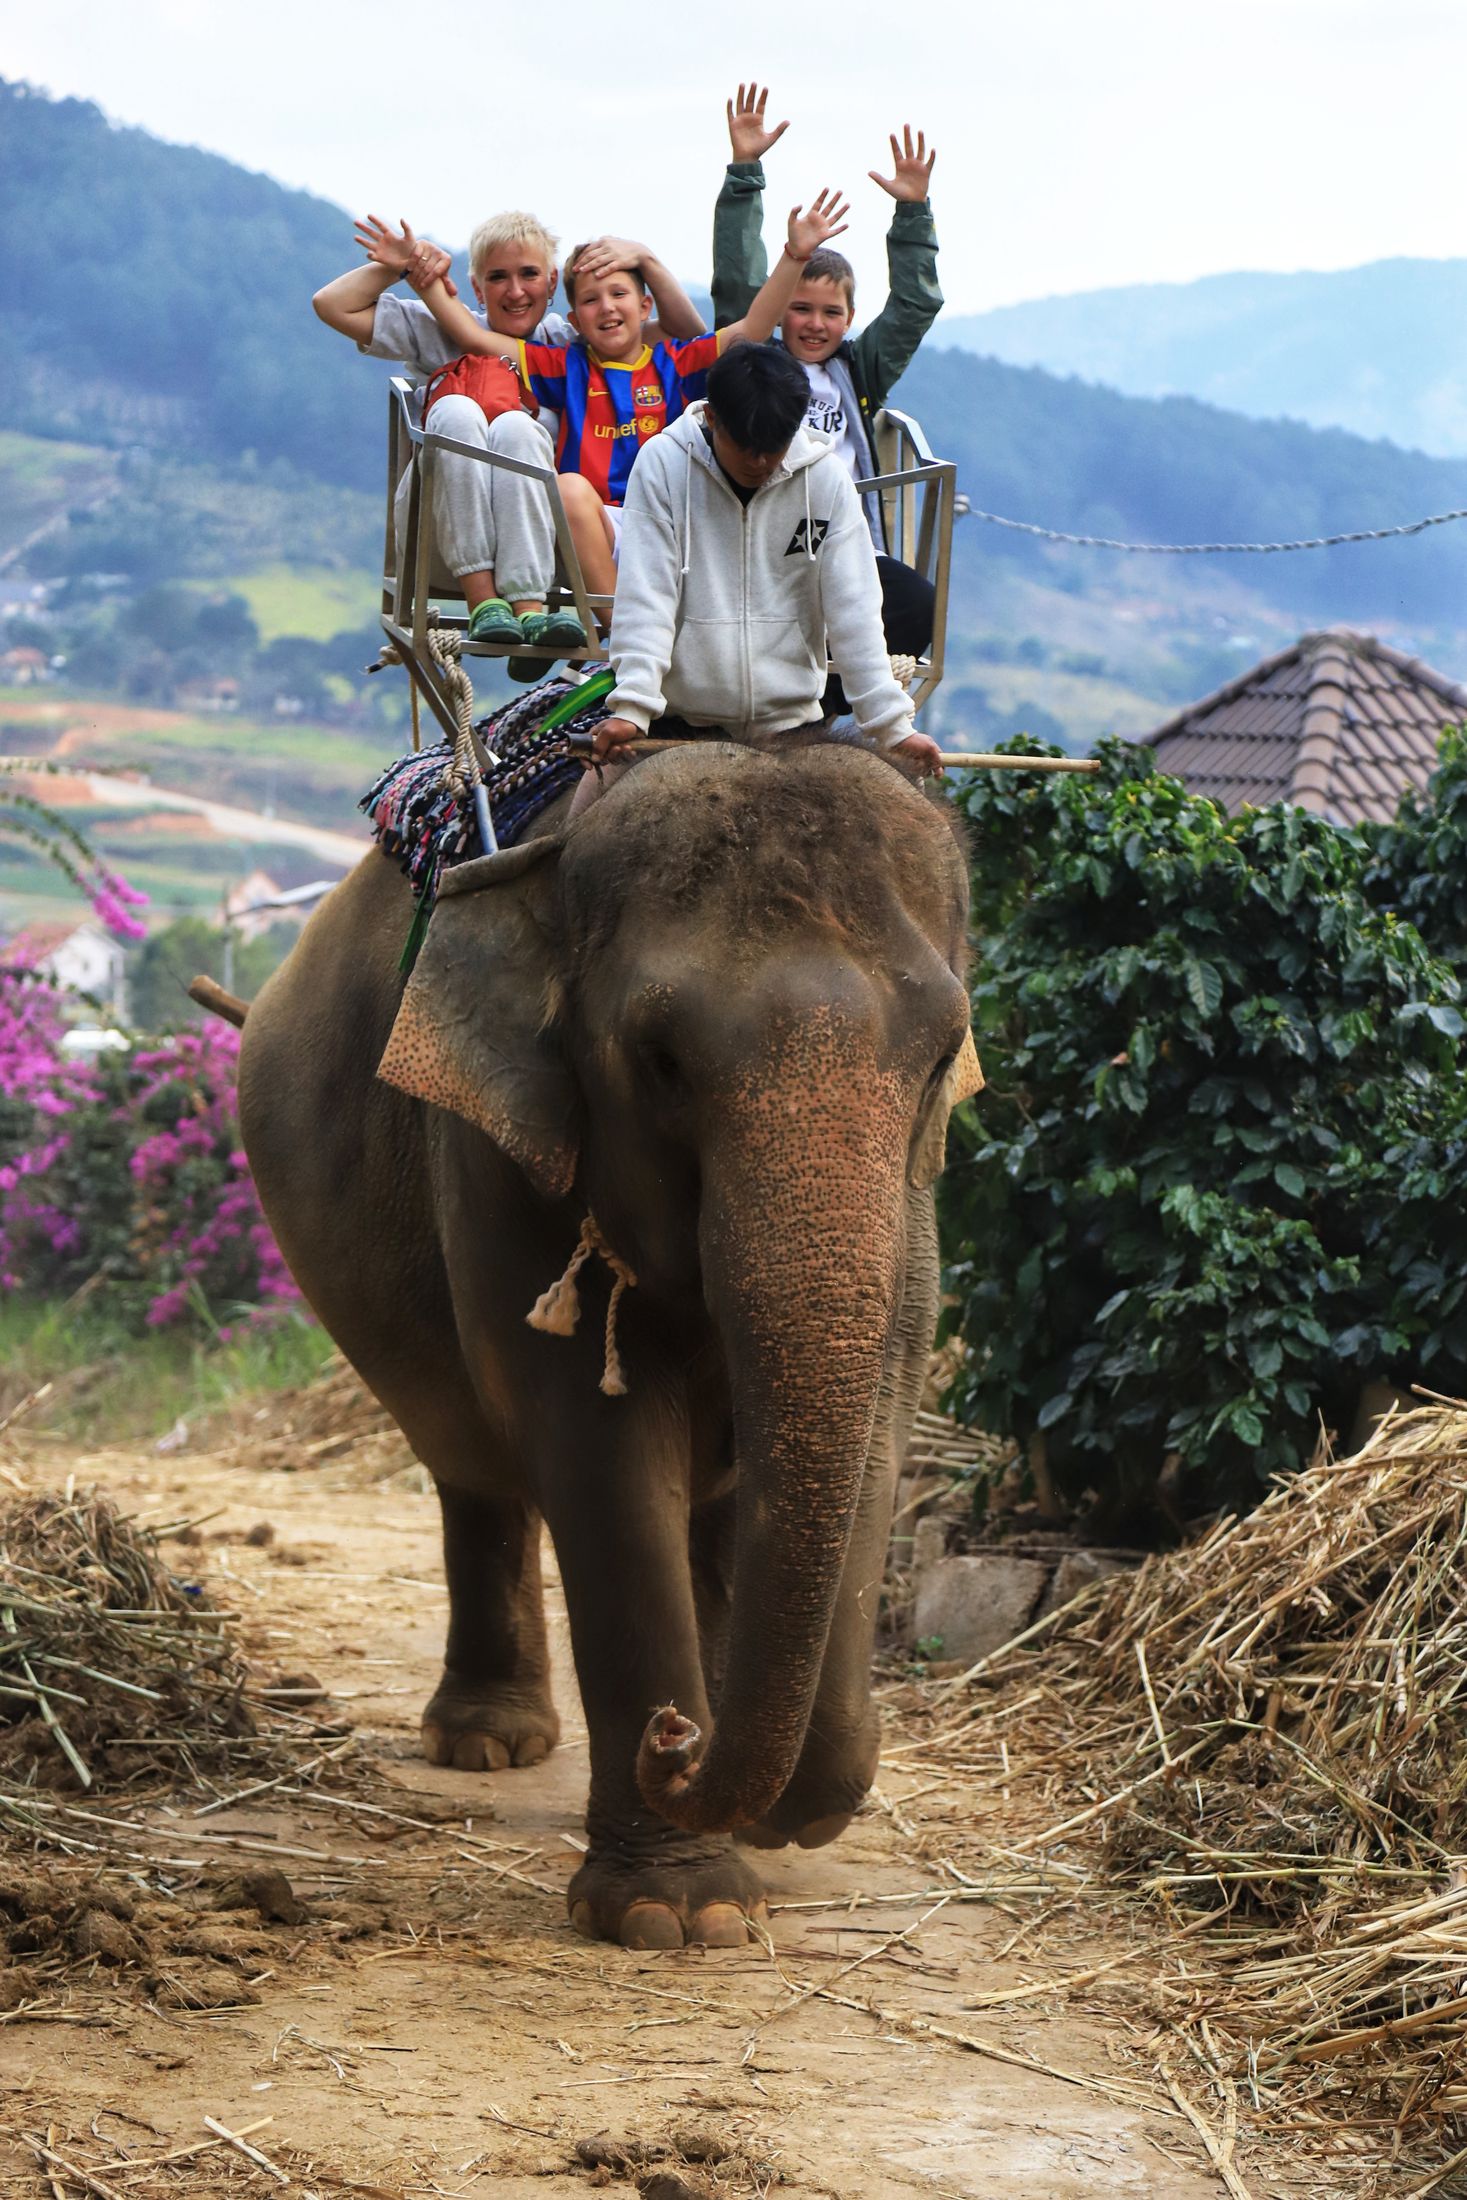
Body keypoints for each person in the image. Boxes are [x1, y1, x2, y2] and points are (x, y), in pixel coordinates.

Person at [406, 194, 852, 608]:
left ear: (644, 306)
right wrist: (424, 282)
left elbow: (753, 329)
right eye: (591, 300)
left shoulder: (675, 363)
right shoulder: (563, 366)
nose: (606, 307)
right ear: (575, 320)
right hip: (594, 527)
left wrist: (795, 256)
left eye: (618, 294)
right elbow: (473, 337)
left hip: (667, 520)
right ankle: (618, 638)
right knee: (568, 489)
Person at [313, 213, 704, 670]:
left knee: (518, 428)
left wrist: (644, 259)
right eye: (498, 277)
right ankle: (484, 599)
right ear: (477, 289)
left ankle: (529, 614)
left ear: (552, 282)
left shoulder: (569, 342)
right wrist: (399, 268)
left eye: (529, 275)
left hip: (544, 547)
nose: (515, 291)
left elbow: (685, 334)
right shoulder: (443, 326)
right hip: (443, 533)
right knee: (459, 411)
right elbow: (332, 305)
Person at [571, 343, 943, 817]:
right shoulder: (662, 465)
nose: (761, 462)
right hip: (679, 724)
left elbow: (855, 612)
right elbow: (647, 597)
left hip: (793, 731)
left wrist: (892, 727)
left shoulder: (826, 480)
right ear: (712, 418)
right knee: (577, 835)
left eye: (775, 447)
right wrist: (632, 709)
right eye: (745, 447)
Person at [712, 89, 943, 682]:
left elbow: (914, 307)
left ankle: (832, 707)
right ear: (778, 309)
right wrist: (745, 172)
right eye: (800, 308)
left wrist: (913, 213)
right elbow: (737, 281)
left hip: (843, 539)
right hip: (765, 538)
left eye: (831, 313)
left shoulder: (856, 371)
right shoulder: (754, 360)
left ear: (848, 319)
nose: (815, 324)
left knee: (918, 604)